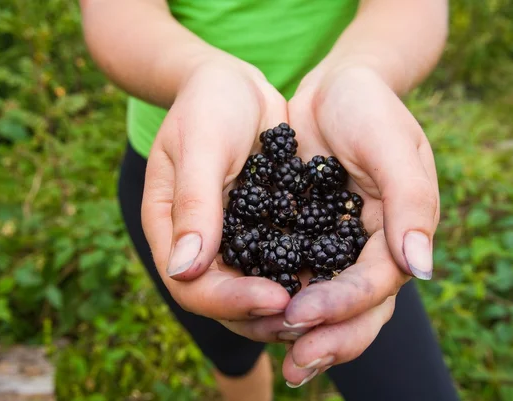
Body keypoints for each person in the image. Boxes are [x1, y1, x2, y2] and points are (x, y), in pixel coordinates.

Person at [80, 0, 459, 400]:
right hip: (180, 167)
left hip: (347, 153)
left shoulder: (328, 205)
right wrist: (199, 74)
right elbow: (117, 14)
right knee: (231, 353)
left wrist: (362, 71)